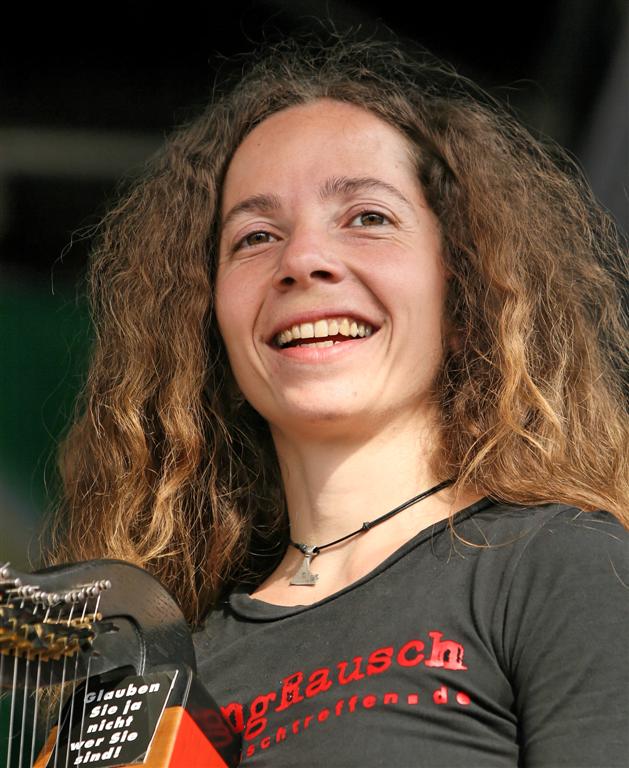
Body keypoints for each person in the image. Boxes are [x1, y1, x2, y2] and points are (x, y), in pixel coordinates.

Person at [48, 35, 628, 766]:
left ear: (464, 290)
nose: (301, 260)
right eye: (256, 236)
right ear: (207, 321)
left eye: (367, 217)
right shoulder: (156, 686)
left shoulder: (565, 566)